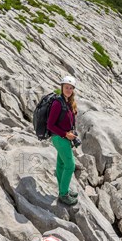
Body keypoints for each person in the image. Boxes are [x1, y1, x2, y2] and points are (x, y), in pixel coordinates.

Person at [47, 75, 79, 206]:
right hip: (59, 138)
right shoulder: (57, 103)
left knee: (61, 164)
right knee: (70, 165)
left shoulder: (67, 102)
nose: (69, 90)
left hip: (64, 138)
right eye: (66, 87)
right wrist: (65, 134)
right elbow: (50, 125)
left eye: (71, 88)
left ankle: (62, 189)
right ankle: (64, 194)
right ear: (62, 87)